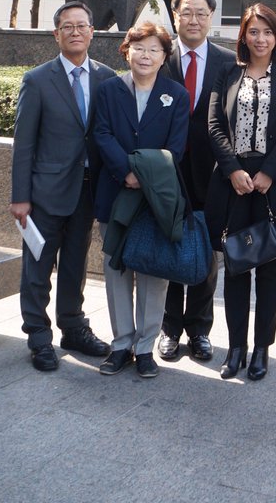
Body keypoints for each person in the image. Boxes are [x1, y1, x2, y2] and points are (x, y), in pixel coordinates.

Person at [205, 4, 276, 381]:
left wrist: (268, 172)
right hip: (234, 182)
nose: (260, 38)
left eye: (267, 32)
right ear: (243, 36)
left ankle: (263, 347)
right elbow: (215, 124)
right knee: (235, 265)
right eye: (253, 31)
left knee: (269, 265)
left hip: (274, 182)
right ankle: (236, 347)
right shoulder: (228, 72)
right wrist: (233, 169)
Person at [10, 1, 115, 371]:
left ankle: (73, 327)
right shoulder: (37, 80)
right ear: (56, 34)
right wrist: (19, 197)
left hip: (89, 190)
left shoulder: (107, 78)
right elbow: (24, 144)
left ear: (92, 32)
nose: (75, 31)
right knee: (37, 268)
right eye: (66, 26)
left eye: (81, 25)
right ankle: (39, 336)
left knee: (75, 264)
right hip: (45, 193)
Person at [93, 21, 189, 378]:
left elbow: (175, 149)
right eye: (139, 48)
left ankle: (146, 346)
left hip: (156, 198)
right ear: (126, 51)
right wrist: (126, 172)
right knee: (116, 268)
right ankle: (121, 344)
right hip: (115, 191)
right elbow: (101, 133)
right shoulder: (109, 90)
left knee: (152, 271)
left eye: (154, 49)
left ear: (164, 56)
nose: (145, 55)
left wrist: (143, 177)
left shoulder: (176, 95)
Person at [158, 0, 236, 363]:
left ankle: (200, 330)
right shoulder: (159, 54)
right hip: (168, 173)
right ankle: (170, 328)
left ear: (211, 17)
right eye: (186, 13)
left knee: (207, 253)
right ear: (174, 16)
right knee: (169, 247)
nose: (193, 20)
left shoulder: (227, 61)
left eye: (201, 13)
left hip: (213, 173)